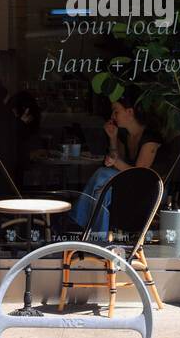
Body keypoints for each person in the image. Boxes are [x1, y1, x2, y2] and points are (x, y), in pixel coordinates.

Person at [67, 94, 162, 234]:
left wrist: (115, 161)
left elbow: (140, 175)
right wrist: (113, 138)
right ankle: (96, 235)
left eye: (116, 111)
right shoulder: (127, 135)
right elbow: (119, 162)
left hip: (147, 188)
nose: (113, 116)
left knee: (102, 175)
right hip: (128, 184)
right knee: (102, 191)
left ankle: (78, 222)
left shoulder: (150, 140)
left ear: (130, 112)